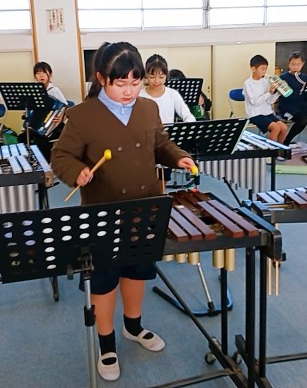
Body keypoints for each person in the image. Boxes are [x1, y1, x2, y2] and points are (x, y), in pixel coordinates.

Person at [50, 42, 195, 382]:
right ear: (102, 79)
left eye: (136, 82)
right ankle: (106, 344)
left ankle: (133, 326)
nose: (130, 91)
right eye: (121, 83)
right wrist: (76, 172)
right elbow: (60, 156)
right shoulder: (82, 115)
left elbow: (160, 144)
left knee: (137, 271)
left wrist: (179, 156)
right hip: (104, 212)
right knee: (105, 280)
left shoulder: (147, 108)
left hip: (144, 207)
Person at [17, 61, 68, 162]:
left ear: (50, 74)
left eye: (44, 73)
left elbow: (66, 107)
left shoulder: (53, 90)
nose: (41, 76)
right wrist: (27, 113)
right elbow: (31, 109)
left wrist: (62, 117)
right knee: (21, 138)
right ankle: (31, 161)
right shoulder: (34, 91)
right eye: (38, 73)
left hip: (53, 126)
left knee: (40, 141)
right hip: (36, 128)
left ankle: (47, 164)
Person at [277, 52, 307, 149]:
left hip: (303, 107)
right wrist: (299, 91)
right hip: (288, 108)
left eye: (298, 65)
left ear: (302, 64)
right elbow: (286, 98)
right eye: (292, 64)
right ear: (289, 64)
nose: (295, 67)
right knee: (303, 119)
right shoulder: (283, 78)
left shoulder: (306, 78)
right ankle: (286, 142)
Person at [243, 54, 288, 144]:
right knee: (276, 128)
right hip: (255, 114)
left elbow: (269, 101)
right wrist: (269, 93)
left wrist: (278, 92)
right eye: (262, 69)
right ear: (253, 69)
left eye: (265, 69)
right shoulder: (248, 83)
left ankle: (279, 149)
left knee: (284, 128)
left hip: (267, 112)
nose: (264, 72)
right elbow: (255, 102)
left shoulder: (265, 82)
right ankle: (268, 150)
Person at [139, 55, 196, 124]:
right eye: (152, 77)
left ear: (166, 75)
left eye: (161, 77)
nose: (157, 81)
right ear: (146, 75)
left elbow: (188, 116)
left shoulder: (172, 94)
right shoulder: (139, 95)